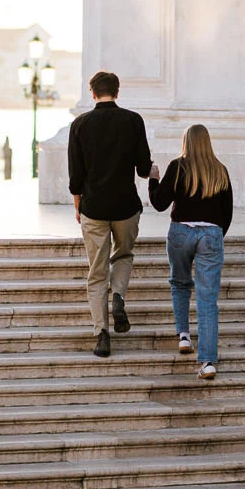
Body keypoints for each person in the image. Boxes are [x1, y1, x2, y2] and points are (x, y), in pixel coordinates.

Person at [67, 70, 152, 358]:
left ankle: (101, 334)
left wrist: (78, 204)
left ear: (92, 93)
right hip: (126, 206)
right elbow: (142, 168)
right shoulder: (133, 120)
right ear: (117, 91)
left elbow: (75, 174)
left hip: (94, 207)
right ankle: (118, 297)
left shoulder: (79, 124)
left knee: (96, 272)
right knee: (124, 255)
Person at [149, 124, 232, 380]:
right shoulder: (220, 170)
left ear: (186, 141)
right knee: (208, 300)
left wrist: (153, 178)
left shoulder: (177, 166)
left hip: (180, 233)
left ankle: (184, 335)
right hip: (211, 233)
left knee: (180, 282)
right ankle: (208, 362)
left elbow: (160, 203)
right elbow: (226, 213)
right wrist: (214, 237)